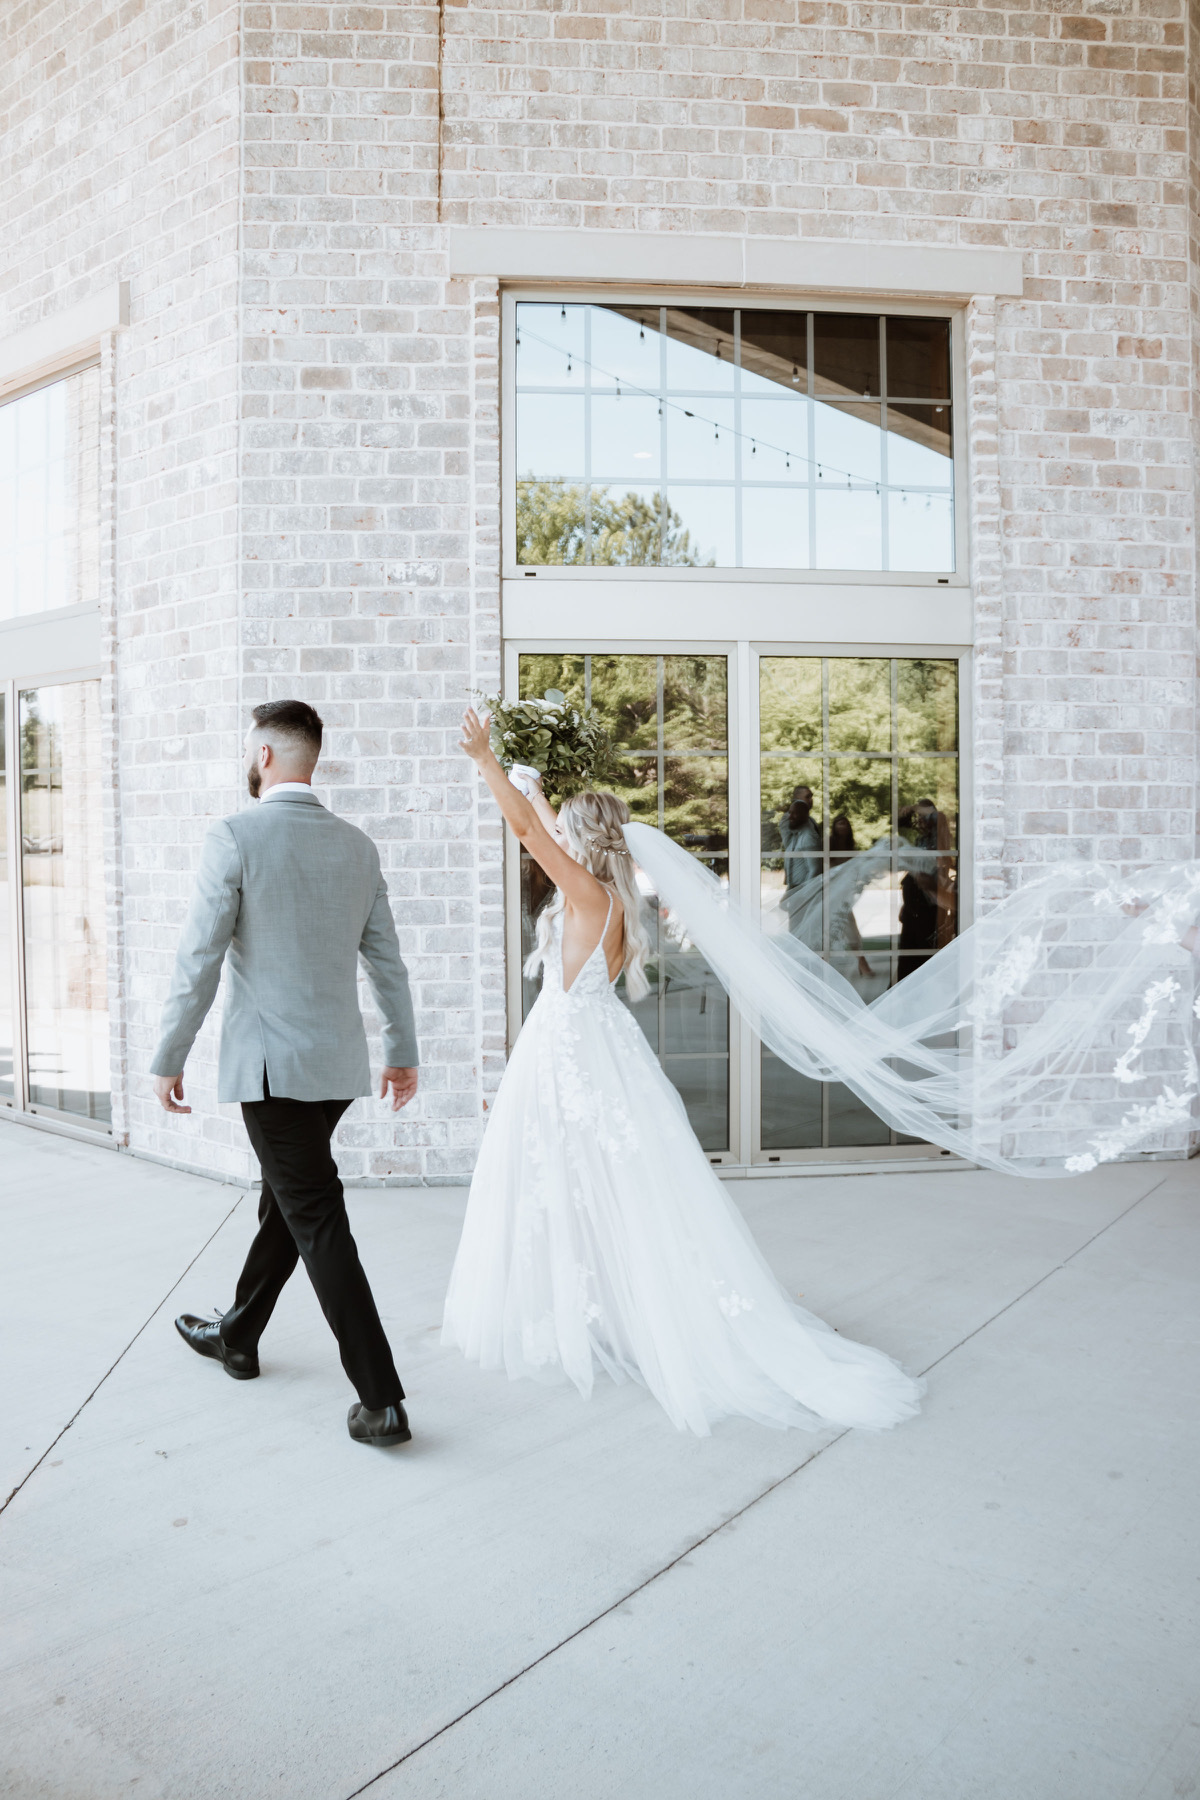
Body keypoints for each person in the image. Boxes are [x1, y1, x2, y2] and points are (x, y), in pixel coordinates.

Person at [444, 708, 922, 1437]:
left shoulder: (586, 895)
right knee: (600, 1179)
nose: (560, 836)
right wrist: (531, 784)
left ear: (582, 842)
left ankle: (589, 1310)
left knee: (570, 1176)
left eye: (569, 830)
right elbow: (544, 827)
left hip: (567, 1050)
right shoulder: (611, 898)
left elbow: (530, 838)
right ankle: (598, 1303)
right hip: (593, 1046)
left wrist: (486, 764)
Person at [149, 700, 420, 1449]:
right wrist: (403, 1049)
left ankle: (382, 1399)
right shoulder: (357, 846)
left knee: (314, 1214)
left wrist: (168, 1055)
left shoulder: (234, 836)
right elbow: (387, 960)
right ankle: (237, 1334)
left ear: (265, 756)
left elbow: (198, 958)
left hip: (271, 1071)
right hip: (335, 1068)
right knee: (289, 1203)